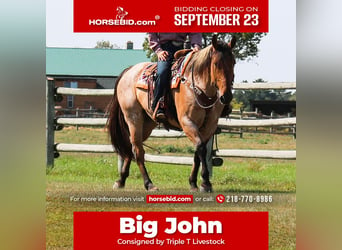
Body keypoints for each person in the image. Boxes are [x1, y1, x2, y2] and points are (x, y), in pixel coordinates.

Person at [148, 33, 202, 121]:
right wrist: (158, 50)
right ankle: (158, 105)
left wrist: (196, 46)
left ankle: (209, 108)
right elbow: (152, 33)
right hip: (165, 51)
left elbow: (194, 31)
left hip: (183, 49)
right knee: (162, 73)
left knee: (200, 69)